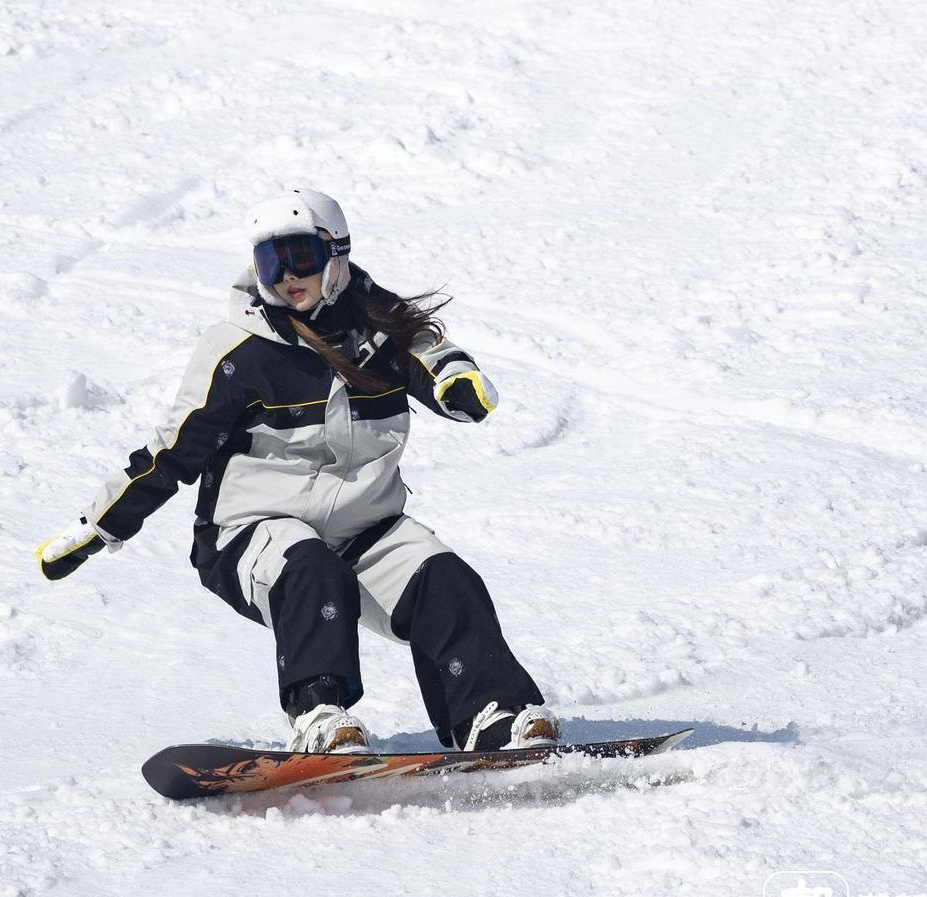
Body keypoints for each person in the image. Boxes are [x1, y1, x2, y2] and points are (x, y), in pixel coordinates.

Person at [37, 187, 557, 756]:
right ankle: (319, 718)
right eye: (270, 262)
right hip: (250, 531)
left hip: (364, 529)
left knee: (443, 577)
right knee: (310, 567)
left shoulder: (381, 330)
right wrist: (100, 526)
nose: (286, 276)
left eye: (299, 257)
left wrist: (455, 380)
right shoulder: (238, 349)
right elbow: (174, 450)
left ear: (337, 254)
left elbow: (433, 356)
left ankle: (493, 716)